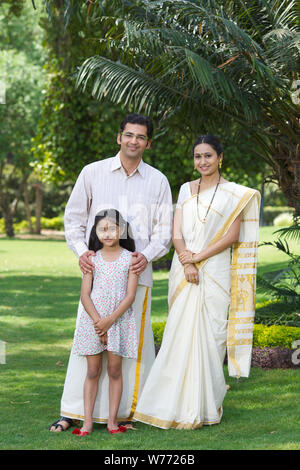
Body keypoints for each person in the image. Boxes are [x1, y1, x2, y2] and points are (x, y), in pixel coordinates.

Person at [49, 113, 173, 432]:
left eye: (141, 137)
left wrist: (146, 255)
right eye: (128, 135)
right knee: (87, 349)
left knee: (130, 351)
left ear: (148, 142)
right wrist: (82, 254)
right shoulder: (93, 172)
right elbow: (73, 220)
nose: (134, 141)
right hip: (97, 280)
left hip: (136, 278)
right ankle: (74, 412)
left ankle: (130, 413)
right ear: (119, 137)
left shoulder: (158, 181)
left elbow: (164, 232)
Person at [134, 135, 261, 430]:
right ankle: (168, 406)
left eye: (208, 156)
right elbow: (175, 231)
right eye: (197, 156)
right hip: (184, 268)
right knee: (179, 334)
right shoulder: (185, 189)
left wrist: (197, 258)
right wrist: (186, 260)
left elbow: (231, 237)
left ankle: (205, 408)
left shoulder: (234, 194)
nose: (202, 161)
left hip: (214, 271)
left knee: (212, 337)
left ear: (219, 157)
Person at [71, 209, 138, 436]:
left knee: (114, 370)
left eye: (113, 228)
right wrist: (99, 322)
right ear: (96, 232)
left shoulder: (131, 259)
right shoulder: (92, 259)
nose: (108, 233)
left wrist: (109, 321)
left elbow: (130, 297)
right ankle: (87, 423)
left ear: (122, 230)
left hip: (118, 320)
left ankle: (111, 422)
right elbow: (85, 295)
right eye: (103, 229)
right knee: (92, 370)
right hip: (93, 319)